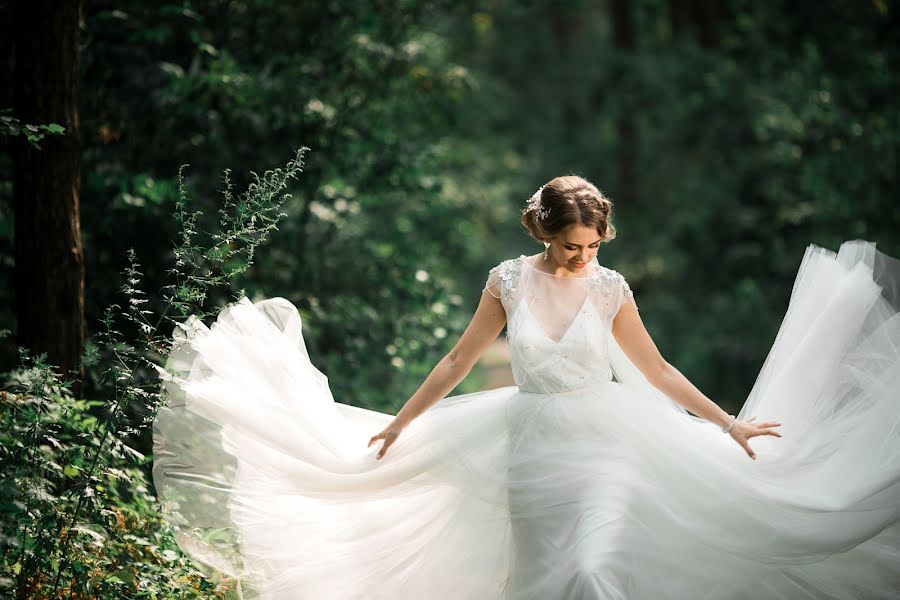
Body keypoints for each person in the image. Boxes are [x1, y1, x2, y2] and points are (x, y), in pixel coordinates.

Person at [153, 175, 900, 599]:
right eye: (571, 247)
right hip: (532, 449)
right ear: (545, 234)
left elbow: (658, 369)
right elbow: (455, 361)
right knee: (542, 579)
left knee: (595, 566)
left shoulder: (610, 289)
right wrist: (401, 423)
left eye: (593, 246)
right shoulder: (507, 281)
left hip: (611, 443)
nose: (582, 258)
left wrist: (730, 423)